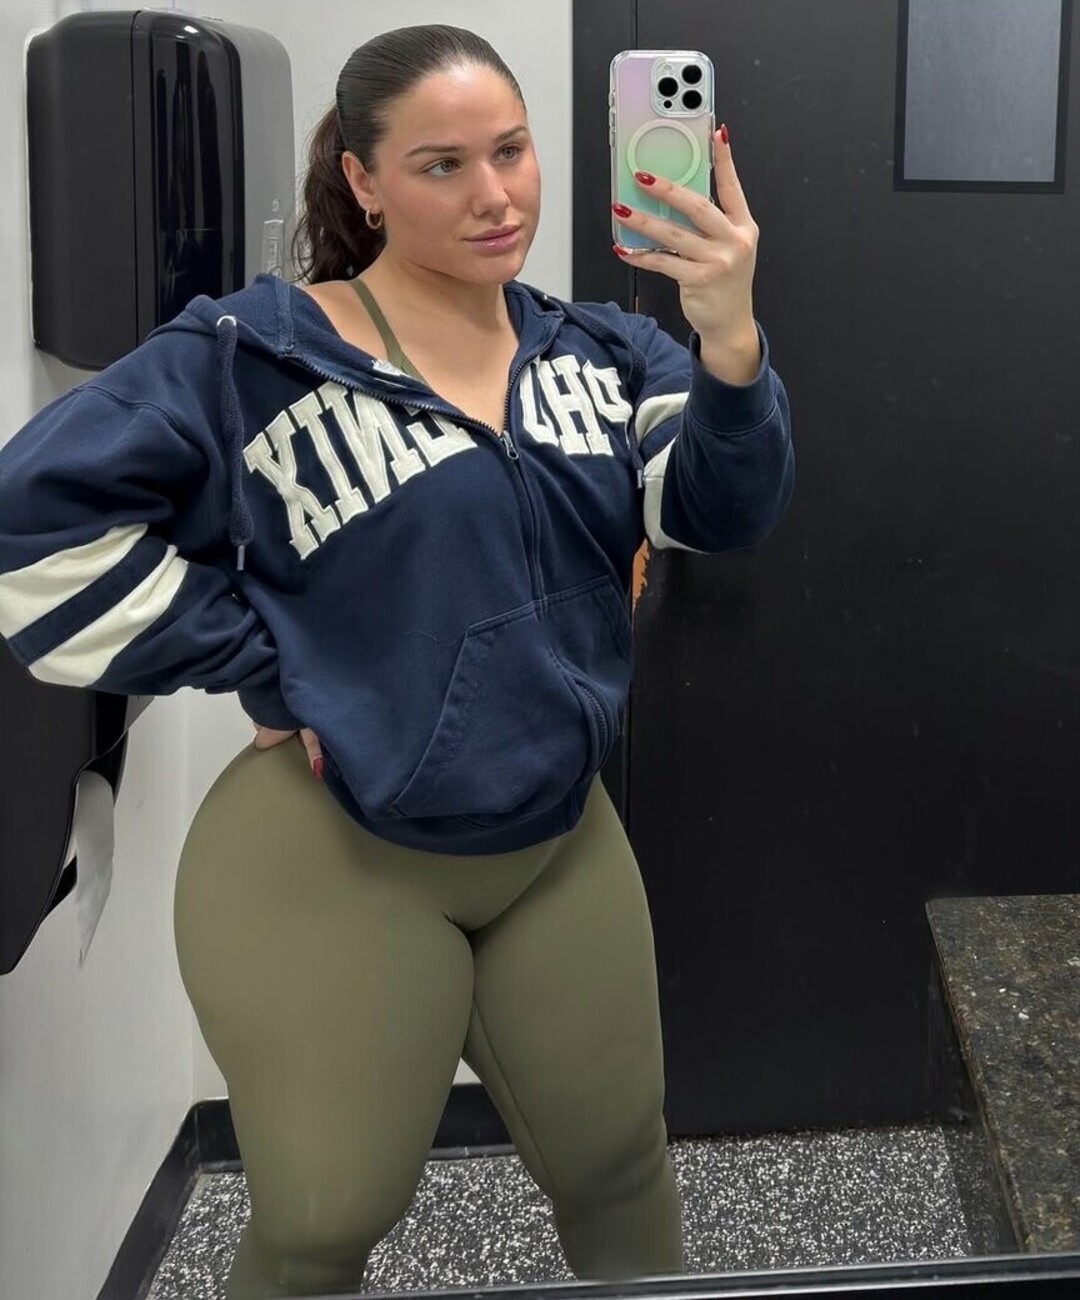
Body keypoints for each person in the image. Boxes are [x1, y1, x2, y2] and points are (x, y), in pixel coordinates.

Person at [0, 23, 792, 1300]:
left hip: (555, 840)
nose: (494, 195)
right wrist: (269, 659)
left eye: (512, 151)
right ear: (364, 181)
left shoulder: (601, 353)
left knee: (620, 1169)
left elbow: (719, 509)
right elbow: (27, 532)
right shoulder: (254, 356)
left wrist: (729, 339)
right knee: (324, 1221)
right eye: (441, 165)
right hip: (338, 845)